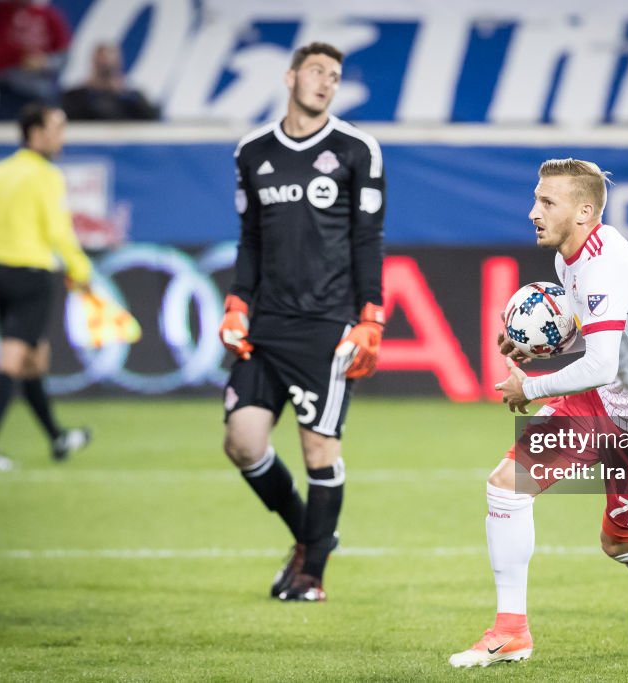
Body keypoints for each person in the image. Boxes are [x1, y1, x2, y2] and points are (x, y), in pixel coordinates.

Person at [449, 159, 628, 668]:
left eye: (547, 202)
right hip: (596, 405)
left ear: (584, 211)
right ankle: (511, 630)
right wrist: (542, 346)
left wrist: (531, 385)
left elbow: (604, 363)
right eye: (536, 199)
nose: (533, 212)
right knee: (506, 485)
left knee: (620, 543)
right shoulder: (571, 257)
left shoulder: (605, 265)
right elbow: (604, 341)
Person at [219, 42, 386, 602]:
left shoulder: (357, 149)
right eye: (316, 71)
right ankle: (311, 539)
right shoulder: (252, 151)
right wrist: (237, 302)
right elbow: (250, 239)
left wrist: (371, 316)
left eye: (334, 76)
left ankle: (311, 574)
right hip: (265, 324)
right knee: (242, 442)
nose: (325, 82)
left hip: (328, 325)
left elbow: (367, 238)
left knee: (319, 452)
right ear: (290, 77)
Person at [0, 104, 93, 471]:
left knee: (35, 361)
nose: (61, 138)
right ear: (35, 133)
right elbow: (57, 231)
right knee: (13, 359)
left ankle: (57, 437)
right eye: (56, 129)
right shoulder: (45, 176)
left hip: (1, 272)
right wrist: (79, 268)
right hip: (33, 274)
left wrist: (2, 240)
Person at [0, 0, 71, 120]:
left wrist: (44, 62)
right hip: (9, 89)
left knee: (45, 128)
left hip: (42, 90)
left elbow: (64, 56)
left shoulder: (49, 15)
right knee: (5, 131)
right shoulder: (1, 11)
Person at [62, 43, 161, 121]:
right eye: (102, 65)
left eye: (110, 67)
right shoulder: (77, 97)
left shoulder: (132, 98)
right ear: (94, 64)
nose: (106, 67)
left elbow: (152, 118)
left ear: (118, 66)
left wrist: (123, 93)